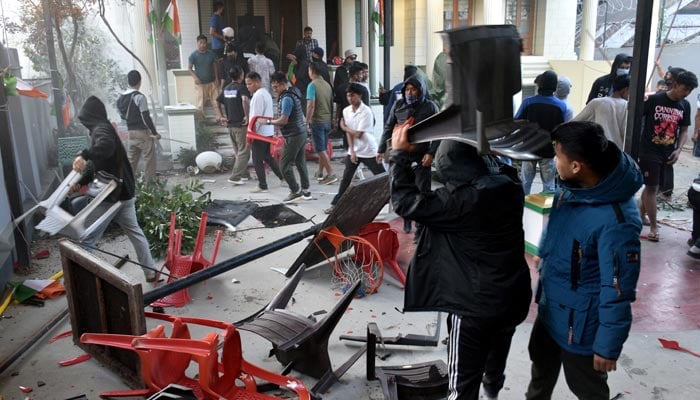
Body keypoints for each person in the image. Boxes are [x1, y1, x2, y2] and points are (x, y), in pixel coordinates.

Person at [390, 123, 531, 400]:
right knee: (495, 359)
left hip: (473, 308)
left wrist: (399, 155)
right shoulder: (512, 186)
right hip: (512, 298)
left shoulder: (461, 201)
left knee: (462, 385)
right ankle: (493, 391)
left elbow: (405, 202)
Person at [525, 121, 643, 400]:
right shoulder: (573, 186)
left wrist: (607, 345)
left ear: (577, 165)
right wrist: (544, 253)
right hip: (551, 307)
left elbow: (617, 289)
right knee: (540, 376)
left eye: (558, 156)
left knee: (587, 389)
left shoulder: (616, 221)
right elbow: (559, 227)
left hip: (580, 326)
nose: (554, 161)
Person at [71, 96, 157, 282]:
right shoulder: (103, 128)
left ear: (89, 117)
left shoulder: (101, 130)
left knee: (88, 237)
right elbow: (98, 162)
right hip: (124, 192)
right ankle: (150, 272)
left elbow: (105, 149)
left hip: (113, 195)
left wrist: (83, 155)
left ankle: (78, 278)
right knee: (135, 232)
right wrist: (83, 180)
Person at [638, 70, 697, 242]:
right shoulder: (655, 100)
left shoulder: (685, 105)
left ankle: (641, 216)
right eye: (684, 89)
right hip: (650, 150)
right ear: (676, 84)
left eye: (689, 91)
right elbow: (637, 119)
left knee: (652, 186)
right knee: (652, 188)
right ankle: (654, 228)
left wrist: (678, 150)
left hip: (668, 152)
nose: (686, 93)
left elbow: (684, 130)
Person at [377, 75, 439, 237]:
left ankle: (420, 230)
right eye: (407, 90)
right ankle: (406, 220)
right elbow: (388, 127)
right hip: (402, 157)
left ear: (421, 91)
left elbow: (439, 132)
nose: (410, 93)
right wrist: (381, 148)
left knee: (422, 193)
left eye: (414, 89)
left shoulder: (430, 107)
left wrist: (431, 153)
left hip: (421, 157)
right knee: (404, 191)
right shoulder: (398, 105)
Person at [325, 83, 385, 214]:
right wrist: (352, 151)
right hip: (355, 150)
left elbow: (358, 133)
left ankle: (389, 198)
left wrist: (344, 127)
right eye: (348, 95)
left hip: (369, 149)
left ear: (360, 96)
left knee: (382, 176)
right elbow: (349, 134)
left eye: (352, 95)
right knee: (346, 178)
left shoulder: (366, 111)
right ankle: (335, 204)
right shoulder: (346, 111)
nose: (350, 98)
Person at [515, 70, 566, 195]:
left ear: (540, 85)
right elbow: (561, 129)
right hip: (548, 151)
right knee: (549, 186)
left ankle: (522, 210)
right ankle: (547, 213)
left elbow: (516, 121)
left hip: (529, 149)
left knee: (526, 183)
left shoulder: (528, 102)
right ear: (554, 87)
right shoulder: (561, 106)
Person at [268, 72, 312, 203]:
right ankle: (306, 190)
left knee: (284, 165)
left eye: (276, 87)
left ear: (282, 85)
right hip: (300, 131)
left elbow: (283, 120)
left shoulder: (286, 98)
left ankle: (295, 190)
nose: (274, 90)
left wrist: (270, 122)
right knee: (300, 162)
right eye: (273, 87)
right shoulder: (294, 92)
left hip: (294, 134)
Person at [117, 70, 160, 183]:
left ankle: (127, 186)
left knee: (131, 161)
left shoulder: (120, 99)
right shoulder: (139, 97)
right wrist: (154, 133)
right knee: (149, 160)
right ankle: (150, 188)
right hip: (142, 133)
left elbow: (123, 117)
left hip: (130, 133)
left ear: (128, 81)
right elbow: (146, 117)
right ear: (140, 82)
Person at [246, 71, 284, 193]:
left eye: (250, 84)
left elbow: (256, 117)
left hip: (259, 133)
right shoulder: (266, 93)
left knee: (257, 159)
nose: (248, 86)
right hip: (267, 131)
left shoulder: (258, 96)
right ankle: (283, 177)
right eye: (247, 84)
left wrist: (251, 134)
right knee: (268, 157)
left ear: (257, 82)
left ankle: (262, 185)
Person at [574, 74, 630, 147]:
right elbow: (627, 133)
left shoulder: (597, 103)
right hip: (618, 153)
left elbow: (575, 123)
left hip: (597, 151)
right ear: (625, 90)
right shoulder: (627, 106)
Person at [217, 66, 251, 185]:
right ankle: (235, 177)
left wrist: (221, 116)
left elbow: (217, 100)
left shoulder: (227, 89)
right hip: (241, 125)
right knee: (244, 151)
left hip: (230, 125)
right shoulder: (242, 88)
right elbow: (245, 100)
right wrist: (247, 116)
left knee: (239, 151)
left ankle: (244, 174)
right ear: (241, 75)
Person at [306, 62, 336, 185]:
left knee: (320, 149)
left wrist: (307, 120)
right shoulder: (327, 85)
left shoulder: (312, 85)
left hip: (317, 120)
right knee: (322, 148)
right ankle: (319, 172)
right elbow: (331, 103)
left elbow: (310, 104)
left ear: (312, 71)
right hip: (327, 120)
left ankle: (331, 174)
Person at [188, 34, 218, 120]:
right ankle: (202, 122)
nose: (203, 45)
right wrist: (195, 77)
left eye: (204, 43)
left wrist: (216, 78)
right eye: (200, 43)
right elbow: (189, 68)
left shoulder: (211, 54)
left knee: (216, 101)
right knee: (200, 104)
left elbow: (214, 66)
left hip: (211, 82)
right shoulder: (193, 55)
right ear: (197, 43)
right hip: (200, 84)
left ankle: (219, 118)